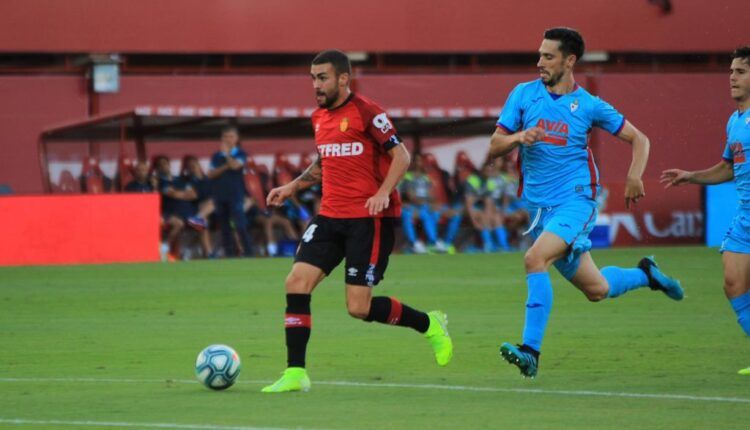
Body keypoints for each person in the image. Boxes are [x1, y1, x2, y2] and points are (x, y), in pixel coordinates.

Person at [488, 27, 683, 378]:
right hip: (539, 212)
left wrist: (635, 175)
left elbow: (639, 139)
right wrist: (519, 136)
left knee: (535, 259)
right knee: (597, 289)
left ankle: (530, 351)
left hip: (576, 201)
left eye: (548, 56)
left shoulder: (589, 105)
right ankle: (646, 275)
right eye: (540, 54)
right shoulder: (523, 95)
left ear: (570, 60)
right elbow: (494, 146)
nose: (540, 62)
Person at [261, 49, 453, 393]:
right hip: (330, 216)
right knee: (296, 282)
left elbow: (402, 155)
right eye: (313, 78)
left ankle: (429, 324)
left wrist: (382, 192)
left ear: (343, 79)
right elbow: (324, 162)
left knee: (358, 308)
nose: (316, 85)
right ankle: (295, 373)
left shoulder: (368, 112)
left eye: (323, 78)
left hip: (368, 220)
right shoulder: (318, 118)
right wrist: (292, 186)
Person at [661, 46, 750, 376]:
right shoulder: (735, 121)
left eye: (740, 72)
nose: (732, 78)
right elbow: (729, 167)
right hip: (745, 215)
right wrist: (692, 177)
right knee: (733, 283)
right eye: (730, 72)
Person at [208, 126, 253, 257]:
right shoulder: (216, 156)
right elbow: (211, 174)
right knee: (224, 227)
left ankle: (249, 253)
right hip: (220, 195)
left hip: (236, 195)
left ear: (237, 139)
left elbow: (235, 166)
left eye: (231, 136)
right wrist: (226, 165)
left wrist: (227, 156)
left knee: (240, 225)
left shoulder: (240, 153)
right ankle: (229, 254)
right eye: (225, 137)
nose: (228, 139)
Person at [154, 155, 197, 260]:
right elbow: (171, 194)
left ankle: (188, 250)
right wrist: (184, 194)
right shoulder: (159, 181)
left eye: (165, 163)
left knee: (203, 225)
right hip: (170, 213)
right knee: (179, 224)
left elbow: (193, 195)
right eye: (160, 165)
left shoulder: (180, 179)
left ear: (169, 165)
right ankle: (164, 247)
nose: (164, 166)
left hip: (187, 213)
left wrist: (178, 193)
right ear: (157, 169)